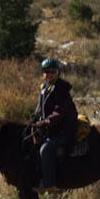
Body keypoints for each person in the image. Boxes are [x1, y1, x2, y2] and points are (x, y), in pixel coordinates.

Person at [31, 57, 78, 190]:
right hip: (51, 127)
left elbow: (59, 113)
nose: (49, 74)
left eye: (52, 72)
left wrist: (45, 122)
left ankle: (50, 184)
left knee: (46, 149)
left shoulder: (61, 90)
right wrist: (34, 118)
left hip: (64, 129)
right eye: (46, 72)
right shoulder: (45, 87)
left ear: (58, 73)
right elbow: (40, 107)